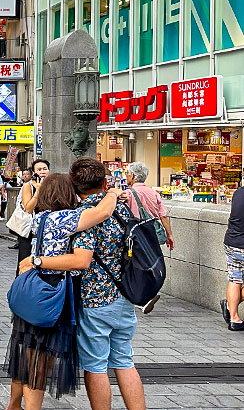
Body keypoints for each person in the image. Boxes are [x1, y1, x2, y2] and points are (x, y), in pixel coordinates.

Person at [18, 158, 145, 410]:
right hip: (125, 294)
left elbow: (81, 260)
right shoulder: (122, 208)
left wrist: (38, 261)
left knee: (96, 365)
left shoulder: (84, 217)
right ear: (105, 182)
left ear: (74, 186)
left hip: (95, 299)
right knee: (124, 360)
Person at [123, 161, 173, 314]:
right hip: (152, 234)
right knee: (152, 261)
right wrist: (169, 235)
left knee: (133, 265)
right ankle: (146, 293)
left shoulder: (128, 194)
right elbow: (163, 216)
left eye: (127, 174)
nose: (126, 176)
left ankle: (139, 296)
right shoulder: (154, 193)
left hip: (135, 236)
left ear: (132, 175)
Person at [16, 159, 51, 273]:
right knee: (26, 260)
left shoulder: (53, 185)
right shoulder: (28, 186)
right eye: (39, 169)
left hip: (48, 229)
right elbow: (28, 208)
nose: (42, 171)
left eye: (45, 169)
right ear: (34, 173)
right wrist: (38, 191)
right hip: (30, 230)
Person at [223, 185, 244, 331]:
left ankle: (234, 318)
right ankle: (230, 305)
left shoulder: (238, 193)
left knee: (235, 279)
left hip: (231, 242)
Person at [8, 168, 34, 250]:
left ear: (31, 175)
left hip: (27, 209)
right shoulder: (24, 184)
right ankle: (19, 242)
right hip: (20, 208)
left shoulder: (31, 185)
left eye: (27, 174)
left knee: (22, 227)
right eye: (24, 174)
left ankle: (21, 242)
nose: (25, 176)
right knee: (17, 226)